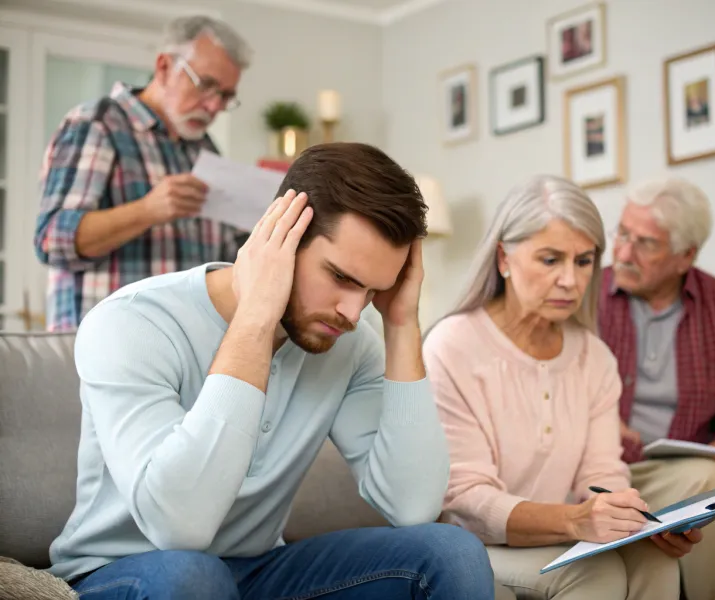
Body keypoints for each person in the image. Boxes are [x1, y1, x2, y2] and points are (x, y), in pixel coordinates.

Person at [49, 142, 497, 599]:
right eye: (341, 278)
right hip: (125, 572)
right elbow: (179, 527)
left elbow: (412, 506)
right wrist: (255, 322)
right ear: (278, 236)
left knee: (450, 552)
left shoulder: (350, 342)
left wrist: (401, 324)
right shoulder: (131, 322)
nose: (353, 310)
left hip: (258, 570)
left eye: (372, 291)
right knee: (194, 578)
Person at [423, 175, 697, 600]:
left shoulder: (595, 358)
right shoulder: (453, 346)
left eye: (584, 261)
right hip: (474, 544)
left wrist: (629, 517)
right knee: (596, 576)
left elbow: (601, 472)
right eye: (550, 260)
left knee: (657, 558)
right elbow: (466, 501)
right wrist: (573, 520)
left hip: (560, 534)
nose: (570, 280)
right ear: (504, 259)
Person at [598, 177, 715, 600]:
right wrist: (601, 423)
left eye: (645, 244)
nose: (623, 253)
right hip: (595, 463)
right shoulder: (583, 295)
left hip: (675, 472)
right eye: (621, 233)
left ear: (685, 255)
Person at [34, 15, 251, 332]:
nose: (214, 106)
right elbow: (52, 241)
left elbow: (224, 256)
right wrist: (147, 210)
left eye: (227, 96)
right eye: (206, 85)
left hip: (182, 350)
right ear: (164, 67)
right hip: (103, 347)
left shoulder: (204, 148)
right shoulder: (97, 124)